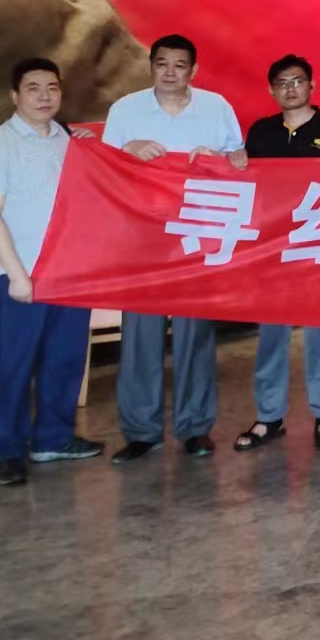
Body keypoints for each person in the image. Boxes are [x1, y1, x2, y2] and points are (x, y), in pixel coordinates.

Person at [103, 34, 245, 464]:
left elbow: (240, 161)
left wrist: (217, 159)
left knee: (195, 336)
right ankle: (141, 431)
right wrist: (126, 150)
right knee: (139, 338)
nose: (169, 72)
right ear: (150, 66)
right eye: (162, 63)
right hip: (142, 239)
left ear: (193, 70)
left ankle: (195, 427)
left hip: (195, 237)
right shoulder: (125, 110)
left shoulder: (216, 107)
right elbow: (102, 170)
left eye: (179, 65)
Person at [0, 58, 104, 485]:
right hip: (23, 276)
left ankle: (52, 438)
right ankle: (9, 450)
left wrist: (86, 142)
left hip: (70, 272)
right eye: (33, 88)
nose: (44, 96)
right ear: (15, 96)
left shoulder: (67, 139)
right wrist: (17, 275)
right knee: (14, 366)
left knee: (65, 360)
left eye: (52, 88)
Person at [236, 54, 320, 453]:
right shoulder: (261, 132)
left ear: (312, 86)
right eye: (282, 83)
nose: (290, 89)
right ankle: (268, 416)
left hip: (319, 245)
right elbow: (247, 184)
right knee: (271, 334)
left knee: (319, 334)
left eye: (298, 81)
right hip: (272, 248)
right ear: (272, 90)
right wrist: (235, 160)